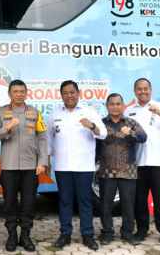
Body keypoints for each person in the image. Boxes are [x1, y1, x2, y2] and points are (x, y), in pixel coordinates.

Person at [46, 80, 106, 251]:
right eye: (65, 93)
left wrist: (92, 125)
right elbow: (49, 140)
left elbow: (103, 133)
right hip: (62, 166)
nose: (69, 95)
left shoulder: (89, 111)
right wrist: (45, 161)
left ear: (78, 93)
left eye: (72, 92)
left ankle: (87, 235)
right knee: (64, 201)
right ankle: (65, 233)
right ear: (61, 95)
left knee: (85, 200)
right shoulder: (55, 113)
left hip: (84, 166)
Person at [0, 79, 47, 252]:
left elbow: (43, 138)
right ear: (9, 93)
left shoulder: (34, 112)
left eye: (22, 91)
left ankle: (26, 236)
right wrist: (7, 127)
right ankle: (12, 235)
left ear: (26, 93)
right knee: (9, 203)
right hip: (8, 167)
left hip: (31, 166)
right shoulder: (0, 113)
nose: (18, 94)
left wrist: (42, 162)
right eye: (15, 91)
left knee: (28, 202)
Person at [124, 78, 160, 244]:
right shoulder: (128, 111)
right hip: (137, 163)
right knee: (139, 199)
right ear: (135, 92)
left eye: (145, 88)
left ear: (151, 90)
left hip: (157, 161)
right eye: (139, 89)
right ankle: (142, 229)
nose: (143, 91)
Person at [98, 93, 147, 246]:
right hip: (107, 172)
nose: (115, 107)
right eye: (111, 104)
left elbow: (144, 137)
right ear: (107, 106)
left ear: (123, 105)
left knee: (128, 203)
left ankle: (127, 233)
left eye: (118, 104)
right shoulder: (100, 124)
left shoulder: (131, 122)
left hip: (129, 171)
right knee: (106, 204)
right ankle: (107, 232)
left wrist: (131, 133)